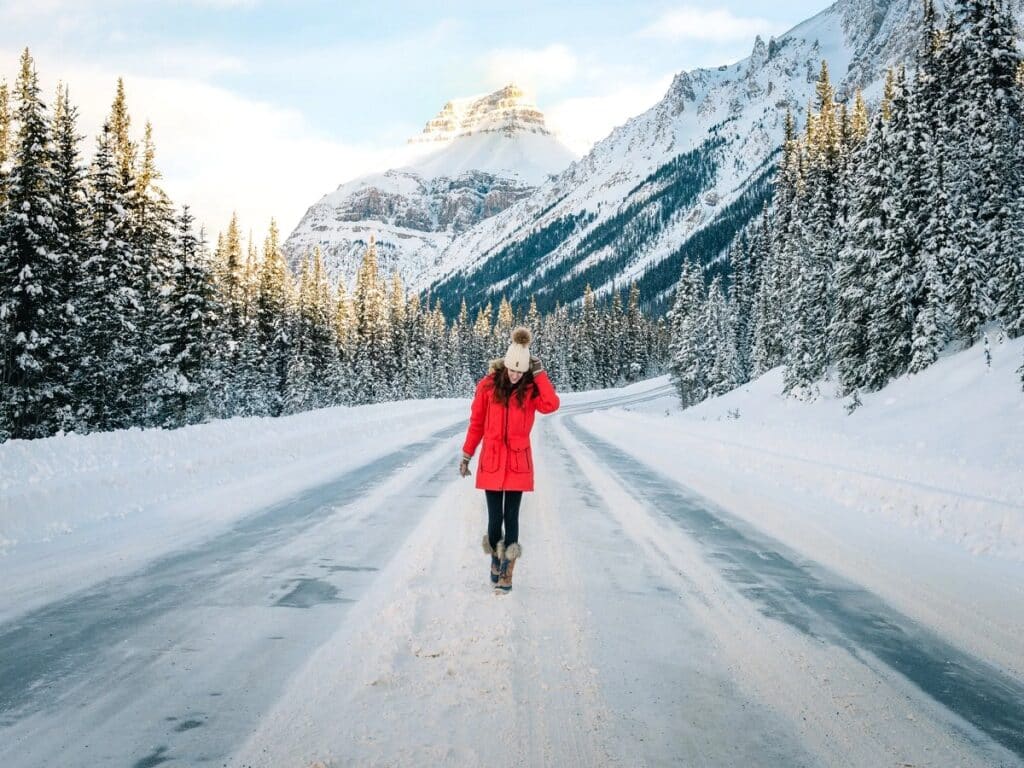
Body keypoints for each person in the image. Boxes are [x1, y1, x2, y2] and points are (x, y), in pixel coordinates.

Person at [459, 326, 560, 593]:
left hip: (517, 463)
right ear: (505, 365)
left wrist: (539, 375)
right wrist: (467, 454)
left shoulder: (529, 390)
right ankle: (495, 557)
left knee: (512, 518)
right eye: (512, 370)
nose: (515, 376)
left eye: (521, 371)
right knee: (494, 521)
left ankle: (507, 571)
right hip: (491, 461)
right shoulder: (487, 387)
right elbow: (476, 423)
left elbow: (552, 405)